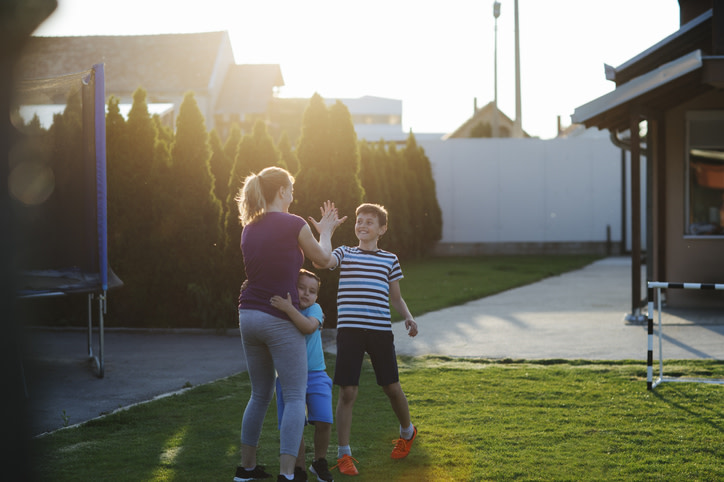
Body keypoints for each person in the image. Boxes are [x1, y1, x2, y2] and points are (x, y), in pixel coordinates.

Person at [234, 166, 346, 482]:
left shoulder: (249, 227)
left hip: (248, 316)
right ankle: (287, 474)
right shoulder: (293, 223)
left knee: (259, 394)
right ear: (282, 191)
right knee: (296, 396)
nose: (293, 196)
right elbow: (323, 260)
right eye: (292, 190)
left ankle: (246, 470)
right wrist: (326, 232)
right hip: (279, 320)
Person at [314, 203, 419, 476]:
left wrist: (408, 316)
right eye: (359, 220)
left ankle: (407, 432)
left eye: (369, 222)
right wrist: (325, 233)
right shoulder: (345, 253)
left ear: (382, 229)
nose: (362, 225)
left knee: (391, 387)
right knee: (348, 391)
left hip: (380, 331)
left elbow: (395, 296)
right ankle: (344, 454)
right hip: (349, 331)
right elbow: (321, 261)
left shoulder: (390, 259)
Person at [270, 269, 335, 482]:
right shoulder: (282, 308)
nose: (307, 294)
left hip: (316, 373)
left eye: (312, 291)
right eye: (301, 288)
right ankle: (298, 469)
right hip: (289, 376)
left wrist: (289, 308)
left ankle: (319, 461)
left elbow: (308, 327)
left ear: (317, 296)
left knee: (324, 420)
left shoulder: (315, 309)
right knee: (294, 424)